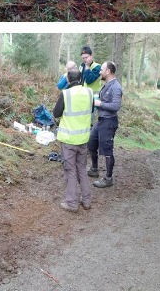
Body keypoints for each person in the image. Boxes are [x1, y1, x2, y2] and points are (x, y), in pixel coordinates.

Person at [53, 69, 94, 211]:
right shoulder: (89, 93)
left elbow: (56, 113)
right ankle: (87, 201)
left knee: (70, 171)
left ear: (68, 80)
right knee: (82, 169)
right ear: (81, 79)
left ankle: (72, 203)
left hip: (69, 139)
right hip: (83, 139)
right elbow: (92, 109)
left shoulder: (66, 94)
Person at [88, 62, 122, 188]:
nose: (99, 72)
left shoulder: (116, 87)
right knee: (91, 142)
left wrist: (99, 104)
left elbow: (116, 106)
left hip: (109, 122)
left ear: (108, 71)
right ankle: (94, 169)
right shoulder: (107, 85)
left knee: (107, 150)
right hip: (101, 120)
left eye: (101, 69)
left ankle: (108, 178)